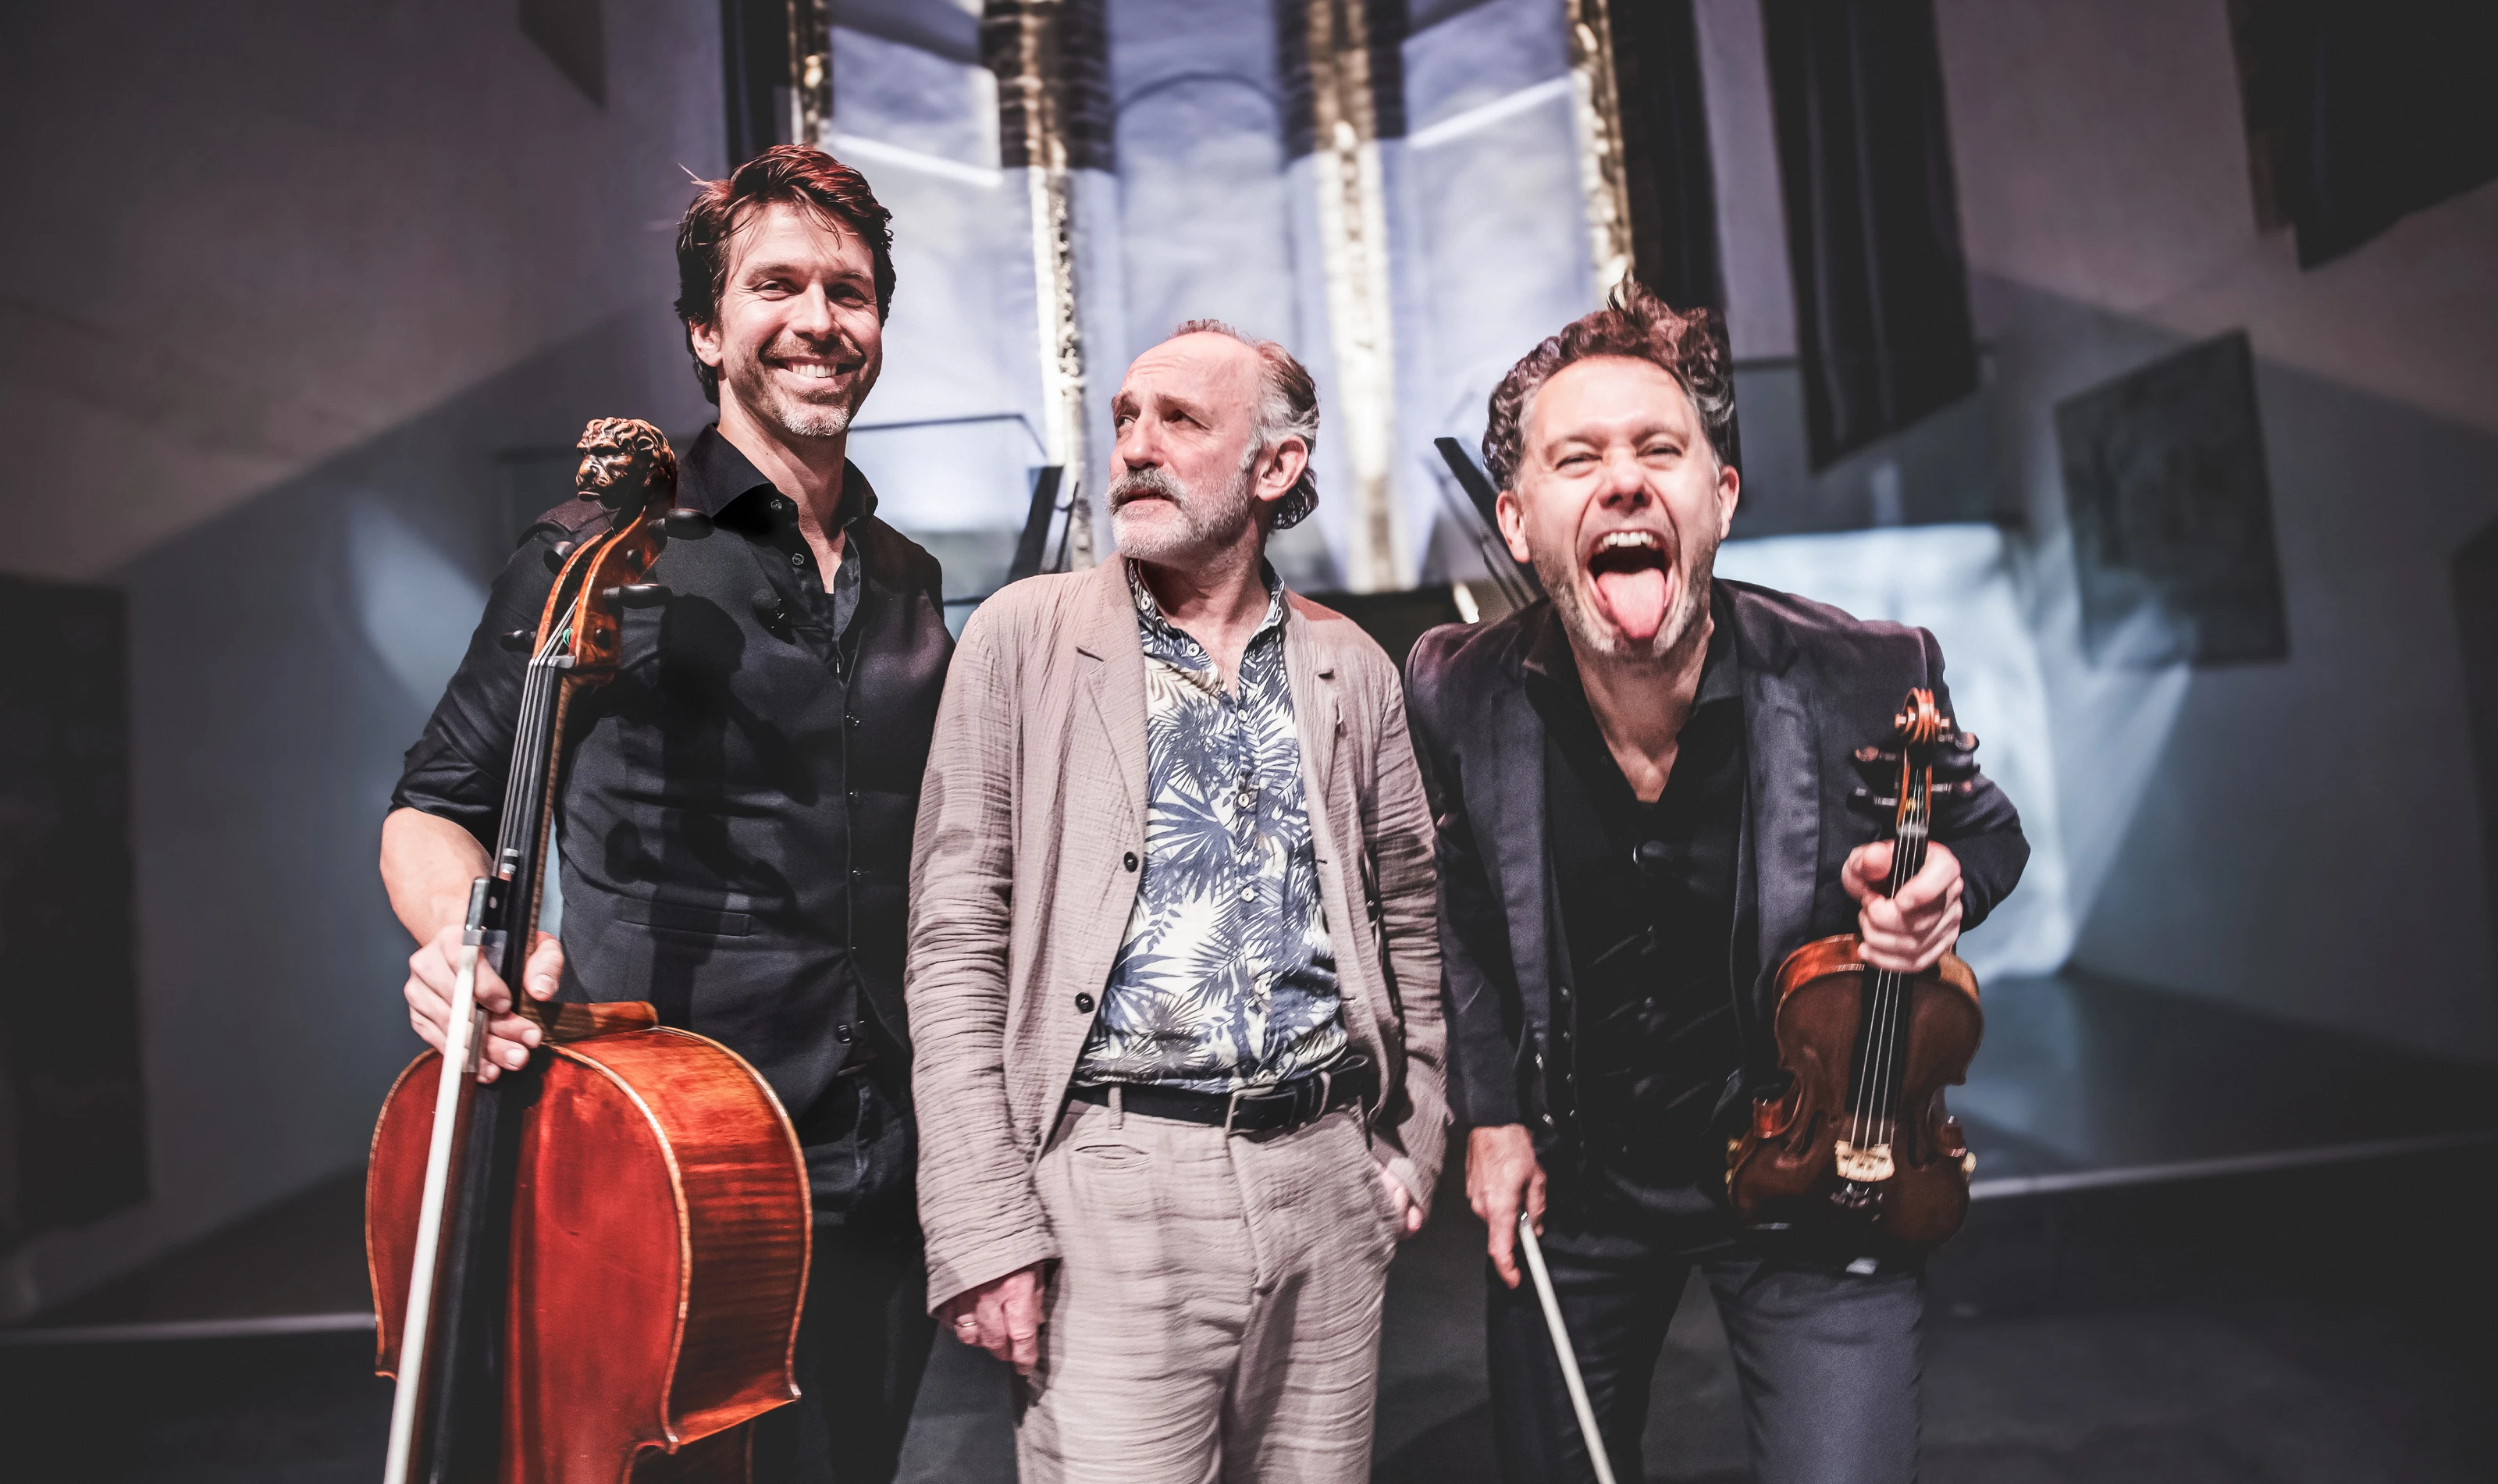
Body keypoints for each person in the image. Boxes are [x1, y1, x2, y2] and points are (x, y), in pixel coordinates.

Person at [382, 145, 951, 1483]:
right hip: (671, 1152)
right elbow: (433, 804)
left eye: (851, 292)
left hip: (884, 1155)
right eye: (777, 287)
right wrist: (459, 942)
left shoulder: (909, 576)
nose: (821, 320)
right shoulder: (591, 550)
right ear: (706, 331)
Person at [1406, 283, 2030, 1484]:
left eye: (1660, 449)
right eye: (1577, 458)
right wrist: (1490, 1116)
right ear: (1518, 520)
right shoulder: (1456, 688)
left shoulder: (1869, 673)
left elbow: (1988, 834)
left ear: (1722, 496)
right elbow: (1464, 912)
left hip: (1816, 1177)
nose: (1623, 482)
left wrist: (1945, 881)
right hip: (1579, 1187)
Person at [906, 322, 1446, 1483]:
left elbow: (1409, 911)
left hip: (1326, 1179)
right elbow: (955, 942)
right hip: (1111, 1185)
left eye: (1179, 420)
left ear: (1276, 465)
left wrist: (1412, 1142)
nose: (1135, 447)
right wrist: (984, 1223)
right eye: (1124, 419)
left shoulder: (1352, 666)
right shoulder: (1021, 638)